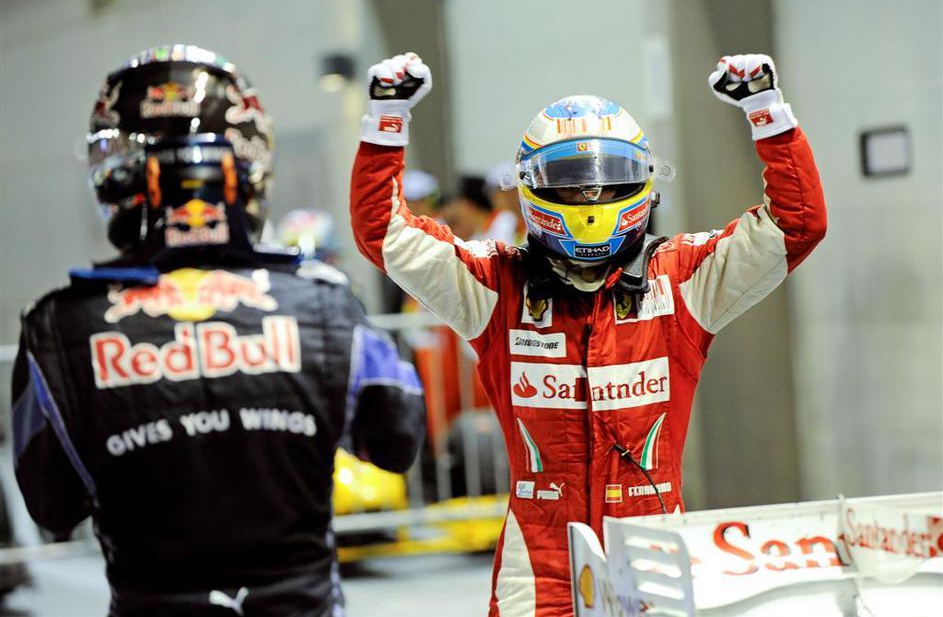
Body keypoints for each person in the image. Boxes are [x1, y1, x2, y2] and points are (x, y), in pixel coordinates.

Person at [350, 52, 826, 615]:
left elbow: (796, 224)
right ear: (531, 189)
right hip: (539, 562)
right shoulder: (493, 286)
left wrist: (767, 110)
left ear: (642, 183)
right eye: (571, 186)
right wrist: (386, 118)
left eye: (607, 183)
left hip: (653, 553)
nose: (591, 199)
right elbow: (384, 233)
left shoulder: (683, 280)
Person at [12, 44, 425, 617]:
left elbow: (51, 505)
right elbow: (398, 439)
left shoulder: (57, 323)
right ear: (247, 162)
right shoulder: (325, 299)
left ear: (121, 171)